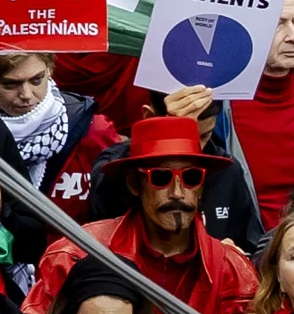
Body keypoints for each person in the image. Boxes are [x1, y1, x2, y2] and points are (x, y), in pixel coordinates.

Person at [21, 116, 260, 314]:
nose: (177, 193)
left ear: (201, 186)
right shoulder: (74, 255)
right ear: (134, 184)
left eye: (191, 177)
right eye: (160, 177)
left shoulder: (232, 271)